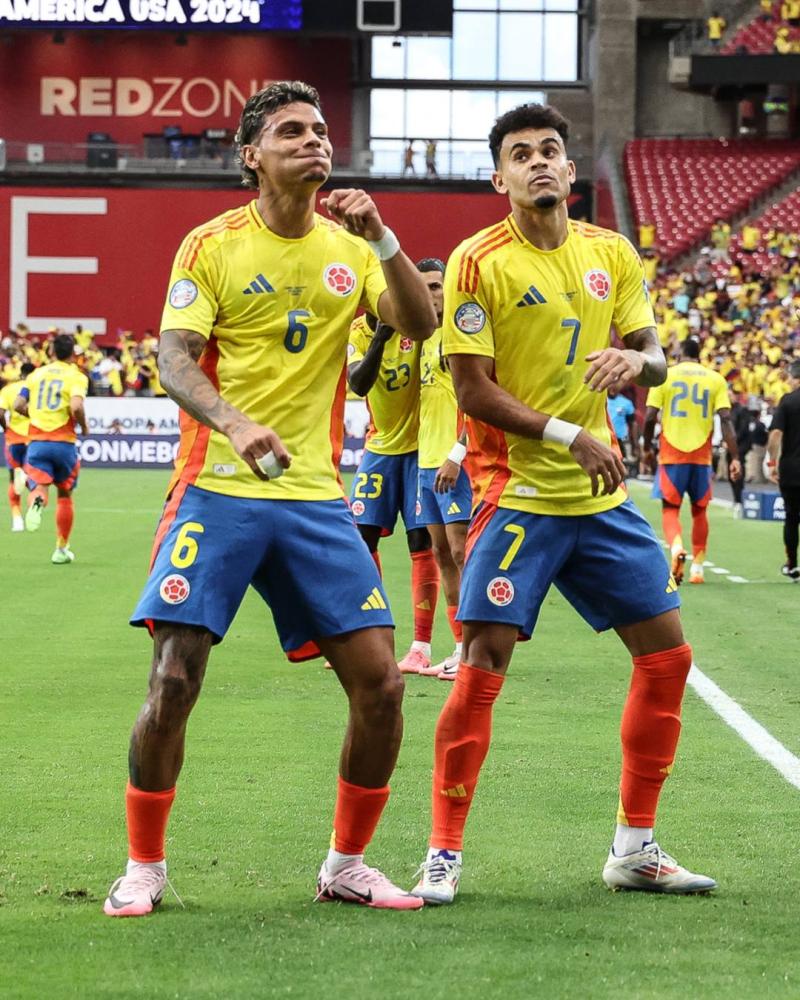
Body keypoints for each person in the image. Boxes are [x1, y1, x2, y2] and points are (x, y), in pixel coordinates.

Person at [102, 81, 436, 918]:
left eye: (321, 130)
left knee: (382, 686)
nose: (313, 142)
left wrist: (383, 236)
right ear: (251, 154)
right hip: (215, 489)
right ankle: (145, 865)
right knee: (175, 680)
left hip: (316, 498)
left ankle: (347, 865)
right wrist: (234, 421)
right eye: (291, 131)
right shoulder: (211, 244)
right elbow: (174, 358)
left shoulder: (351, 247)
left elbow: (421, 322)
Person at [410, 102, 716, 906]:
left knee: (667, 658)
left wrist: (636, 361)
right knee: (481, 668)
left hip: (598, 496)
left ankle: (635, 848)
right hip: (517, 495)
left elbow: (653, 354)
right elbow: (473, 391)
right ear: (498, 176)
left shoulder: (611, 253)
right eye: (522, 154)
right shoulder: (478, 263)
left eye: (551, 150)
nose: (540, 162)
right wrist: (565, 435)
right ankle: (442, 854)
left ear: (571, 171)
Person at [347, 286, 441, 674]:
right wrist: (380, 339)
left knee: (421, 542)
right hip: (380, 448)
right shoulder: (357, 332)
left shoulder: (416, 326)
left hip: (421, 448)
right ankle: (373, 635)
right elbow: (358, 383)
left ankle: (421, 645)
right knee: (360, 539)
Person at [643, 336, 741, 585]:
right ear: (699, 355)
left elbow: (650, 417)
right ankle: (698, 568)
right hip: (701, 456)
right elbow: (726, 419)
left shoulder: (665, 376)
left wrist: (646, 448)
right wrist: (735, 457)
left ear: (679, 354)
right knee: (700, 511)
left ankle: (676, 548)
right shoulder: (715, 379)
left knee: (670, 510)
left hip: (671, 454)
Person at [414, 258, 471, 680]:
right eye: (423, 287)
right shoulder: (425, 337)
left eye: (436, 286)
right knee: (440, 554)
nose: (430, 294)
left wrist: (458, 454)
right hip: (425, 462)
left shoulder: (457, 336)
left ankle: (474, 648)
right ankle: (457, 646)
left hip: (454, 462)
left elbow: (478, 399)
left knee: (462, 552)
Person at [14, 336, 87, 563]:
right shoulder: (76, 376)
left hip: (38, 443)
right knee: (64, 495)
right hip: (64, 443)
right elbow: (76, 405)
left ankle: (37, 501)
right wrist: (84, 426)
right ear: (72, 354)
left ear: (52, 352)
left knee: (39, 487)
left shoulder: (36, 374)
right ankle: (61, 550)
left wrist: (33, 415)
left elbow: (18, 404)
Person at [767, 359, 800, 580]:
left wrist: (772, 462)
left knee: (791, 517)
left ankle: (792, 563)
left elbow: (776, 434)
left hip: (792, 468)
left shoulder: (788, 401)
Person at [0, 361, 35, 531]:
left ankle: (17, 519)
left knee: (13, 478)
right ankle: (33, 509)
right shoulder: (36, 389)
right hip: (33, 438)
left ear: (20, 373)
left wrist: (6, 428)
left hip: (13, 439)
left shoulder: (7, 390)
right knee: (33, 475)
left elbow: (0, 413)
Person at [606, 385, 638, 473]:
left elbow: (633, 423)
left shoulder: (626, 403)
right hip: (606, 438)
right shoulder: (602, 401)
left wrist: (635, 443)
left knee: (622, 464)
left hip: (622, 439)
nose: (612, 388)